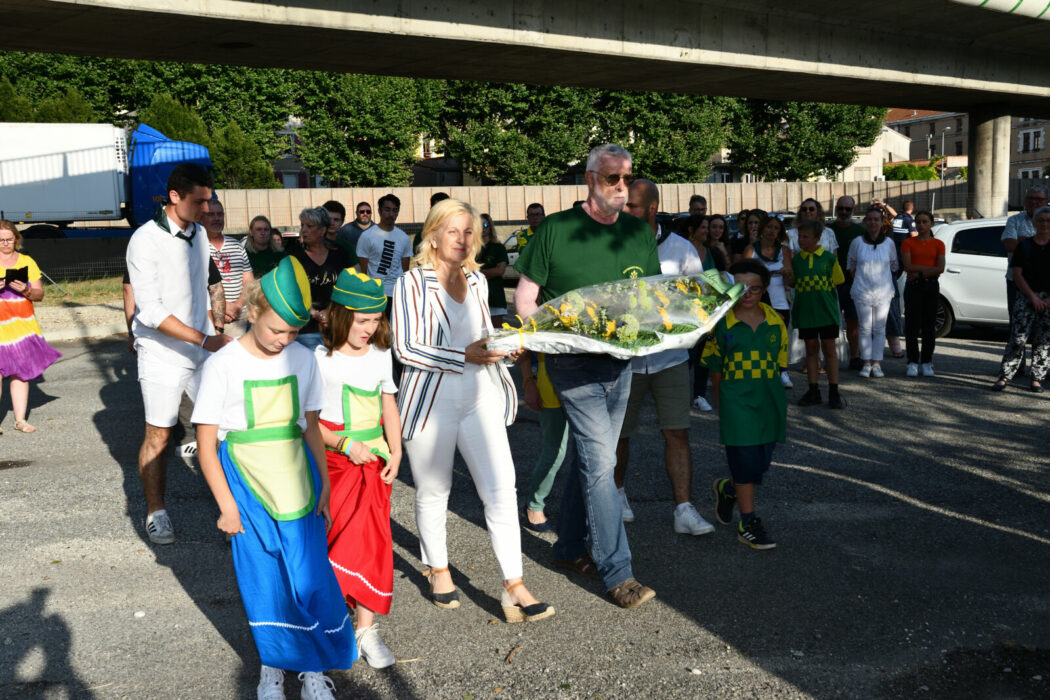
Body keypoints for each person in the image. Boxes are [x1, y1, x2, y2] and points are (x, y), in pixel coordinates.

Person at [192, 257, 356, 700]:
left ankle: (314, 666)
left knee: (308, 575)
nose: (283, 340)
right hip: (246, 485)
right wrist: (227, 506)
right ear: (251, 312)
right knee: (264, 576)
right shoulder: (222, 364)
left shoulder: (302, 359)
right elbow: (206, 444)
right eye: (275, 330)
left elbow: (313, 428)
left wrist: (323, 485)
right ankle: (274, 664)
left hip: (297, 482)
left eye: (290, 331)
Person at [392, 198, 553, 623]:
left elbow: (482, 336)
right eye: (453, 231)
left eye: (469, 232)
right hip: (432, 397)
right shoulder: (411, 282)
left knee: (502, 488)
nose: (462, 240)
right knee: (434, 490)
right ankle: (438, 568)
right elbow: (406, 348)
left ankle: (513, 583)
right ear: (433, 233)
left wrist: (503, 347)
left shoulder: (478, 281)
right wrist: (465, 354)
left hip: (480, 393)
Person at [515, 143, 660, 610]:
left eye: (627, 178)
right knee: (601, 463)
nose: (621, 186)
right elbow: (526, 296)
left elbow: (651, 298)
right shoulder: (556, 229)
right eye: (611, 178)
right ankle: (618, 572)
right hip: (570, 364)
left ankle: (568, 546)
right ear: (589, 180)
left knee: (589, 456)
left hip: (620, 363)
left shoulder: (638, 233)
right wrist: (546, 343)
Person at [126, 163, 233, 545]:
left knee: (225, 428)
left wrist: (215, 333)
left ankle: (231, 509)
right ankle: (156, 512)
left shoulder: (200, 233)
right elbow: (150, 311)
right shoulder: (143, 240)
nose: (207, 209)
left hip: (201, 349)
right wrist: (206, 340)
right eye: (199, 201)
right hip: (161, 354)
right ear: (174, 197)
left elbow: (206, 286)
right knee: (158, 434)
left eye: (209, 201)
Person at [615, 179, 715, 536]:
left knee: (677, 433)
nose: (624, 210)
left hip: (669, 358)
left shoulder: (681, 249)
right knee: (618, 435)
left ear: (653, 208)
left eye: (632, 206)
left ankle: (684, 509)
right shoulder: (612, 244)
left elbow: (700, 302)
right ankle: (617, 495)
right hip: (624, 359)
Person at [315, 269, 402, 669]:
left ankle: (365, 628)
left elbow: (389, 406)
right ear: (337, 314)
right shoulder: (318, 359)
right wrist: (346, 444)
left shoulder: (381, 356)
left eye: (375, 321)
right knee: (334, 541)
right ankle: (330, 624)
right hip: (334, 462)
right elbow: (308, 421)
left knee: (372, 539)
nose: (369, 329)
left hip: (375, 464)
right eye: (362, 320)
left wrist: (397, 452)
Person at [704, 259, 788, 550]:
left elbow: (779, 365)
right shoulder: (723, 324)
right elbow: (715, 368)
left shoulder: (776, 322)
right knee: (745, 464)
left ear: (764, 290)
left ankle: (728, 490)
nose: (748, 294)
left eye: (755, 288)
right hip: (735, 402)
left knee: (759, 466)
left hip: (768, 402)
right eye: (741, 288)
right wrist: (721, 402)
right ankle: (748, 522)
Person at [0, 220, 62, 435]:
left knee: (21, 373)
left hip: (23, 327)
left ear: (17, 239)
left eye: (9, 239)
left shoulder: (27, 261)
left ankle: (20, 420)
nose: (6, 243)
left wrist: (26, 290)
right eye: (1, 240)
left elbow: (39, 294)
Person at [993, 205, 1050, 393]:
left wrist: (1046, 300)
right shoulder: (1024, 245)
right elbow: (1017, 274)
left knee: (1043, 341)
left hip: (1048, 299)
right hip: (1025, 296)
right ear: (1034, 223)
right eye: (1040, 220)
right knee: (1017, 339)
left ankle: (1037, 379)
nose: (1044, 224)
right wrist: (1033, 297)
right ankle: (1005, 375)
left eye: (1048, 220)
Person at [792, 219, 846, 409]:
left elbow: (838, 280)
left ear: (817, 238)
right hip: (806, 312)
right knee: (811, 350)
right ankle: (813, 390)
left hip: (826, 311)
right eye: (799, 236)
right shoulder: (797, 260)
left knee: (829, 350)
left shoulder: (829, 258)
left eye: (805, 237)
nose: (801, 240)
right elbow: (792, 282)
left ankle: (833, 391)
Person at [518, 349, 572, 533]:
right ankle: (534, 504)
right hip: (550, 383)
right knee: (555, 452)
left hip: (589, 384)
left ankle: (587, 511)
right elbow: (524, 347)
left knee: (591, 454)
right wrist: (528, 383)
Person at [1001, 186, 1049, 373]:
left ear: (1046, 201)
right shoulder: (1015, 220)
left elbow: (1022, 243)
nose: (1034, 202)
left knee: (1045, 330)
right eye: (1030, 198)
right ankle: (1015, 367)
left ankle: (1042, 369)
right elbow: (1009, 244)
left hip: (1046, 286)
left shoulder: (1048, 219)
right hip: (1017, 282)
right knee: (1017, 328)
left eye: (1039, 199)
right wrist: (1031, 243)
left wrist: (1024, 241)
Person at [290, 207, 352, 351]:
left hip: (336, 325)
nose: (304, 230)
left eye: (309, 226)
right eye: (302, 225)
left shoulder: (339, 253)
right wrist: (315, 313)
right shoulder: (293, 256)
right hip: (305, 329)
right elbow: (290, 292)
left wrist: (332, 312)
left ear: (322, 230)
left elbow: (348, 287)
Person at [744, 215, 795, 388]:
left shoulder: (784, 250)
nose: (772, 231)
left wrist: (786, 273)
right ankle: (758, 372)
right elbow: (744, 275)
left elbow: (791, 276)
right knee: (758, 337)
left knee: (780, 338)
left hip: (780, 298)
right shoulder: (751, 249)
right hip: (757, 301)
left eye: (776, 228)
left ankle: (782, 371)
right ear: (762, 229)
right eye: (769, 227)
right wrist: (765, 275)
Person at [848, 207, 899, 379]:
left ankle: (877, 363)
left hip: (883, 291)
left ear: (881, 222)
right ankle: (866, 362)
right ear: (865, 222)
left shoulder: (889, 243)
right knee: (864, 328)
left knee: (879, 328)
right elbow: (851, 266)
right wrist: (863, 280)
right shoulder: (857, 242)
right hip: (862, 290)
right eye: (869, 219)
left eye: (876, 219)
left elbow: (893, 266)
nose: (872, 223)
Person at [901, 210, 945, 377]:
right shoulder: (908, 243)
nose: (921, 225)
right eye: (918, 222)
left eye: (925, 222)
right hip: (913, 287)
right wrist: (930, 270)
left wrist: (920, 273)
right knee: (912, 326)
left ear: (931, 223)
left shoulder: (938, 244)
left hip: (930, 286)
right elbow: (908, 266)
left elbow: (940, 268)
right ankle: (912, 361)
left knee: (929, 326)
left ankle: (927, 361)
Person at [204, 199, 253, 337]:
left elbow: (249, 281)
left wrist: (237, 305)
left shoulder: (237, 245)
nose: (216, 218)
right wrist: (223, 307)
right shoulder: (197, 246)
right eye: (211, 214)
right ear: (201, 217)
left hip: (238, 320)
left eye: (220, 214)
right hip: (209, 319)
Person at [357, 194, 412, 310]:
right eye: (387, 210)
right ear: (379, 211)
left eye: (395, 211)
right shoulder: (367, 236)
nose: (391, 214)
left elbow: (405, 270)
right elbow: (363, 269)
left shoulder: (403, 237)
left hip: (397, 293)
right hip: (375, 293)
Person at [829, 196, 864, 369]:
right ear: (836, 208)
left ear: (853, 211)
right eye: (841, 208)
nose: (844, 212)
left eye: (847, 209)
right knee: (830, 323)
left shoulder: (859, 231)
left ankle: (855, 356)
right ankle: (831, 357)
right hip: (830, 283)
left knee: (853, 321)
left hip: (852, 282)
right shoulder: (827, 230)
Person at [477, 213, 509, 326]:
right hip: (475, 298)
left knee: (496, 333)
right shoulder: (470, 249)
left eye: (485, 224)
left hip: (495, 296)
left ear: (490, 226)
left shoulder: (498, 248)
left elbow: (500, 270)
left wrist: (477, 274)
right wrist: (490, 272)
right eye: (479, 225)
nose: (483, 228)